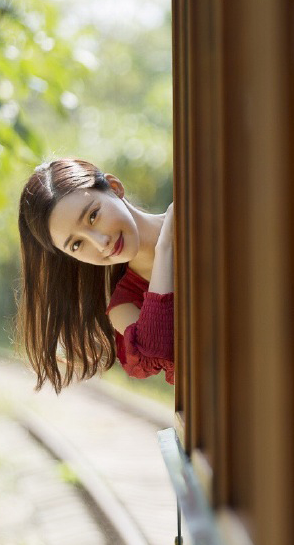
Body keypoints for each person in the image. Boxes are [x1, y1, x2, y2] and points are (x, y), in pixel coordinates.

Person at [16, 158, 175, 392]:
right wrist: (164, 249)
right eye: (77, 244)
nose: (101, 243)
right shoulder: (125, 305)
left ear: (114, 187)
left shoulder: (195, 215)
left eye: (93, 216)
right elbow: (158, 350)